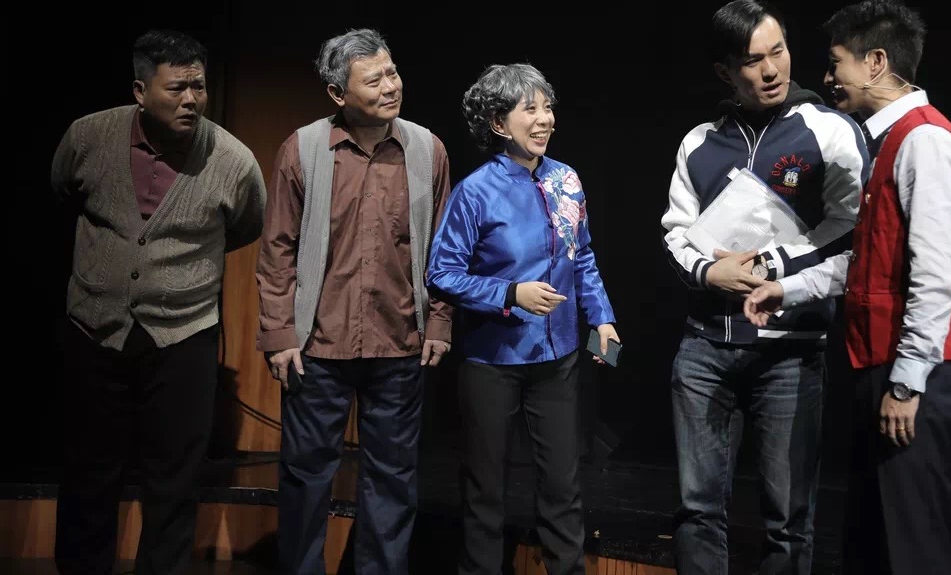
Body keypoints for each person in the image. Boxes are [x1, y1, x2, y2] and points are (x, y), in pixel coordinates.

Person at [744, 0, 951, 575]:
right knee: (874, 541)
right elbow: (870, 261)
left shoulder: (924, 142)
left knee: (910, 547)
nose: (828, 78)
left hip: (916, 371)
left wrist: (906, 384)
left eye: (836, 63)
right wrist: (788, 288)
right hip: (886, 362)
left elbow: (936, 276)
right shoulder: (890, 141)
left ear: (876, 62)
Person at [661, 0, 868, 574]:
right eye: (753, 61)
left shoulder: (829, 130)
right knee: (697, 510)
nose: (772, 69)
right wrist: (709, 273)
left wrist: (773, 266)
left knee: (789, 522)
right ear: (726, 71)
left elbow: (853, 229)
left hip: (792, 351)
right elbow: (675, 234)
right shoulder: (699, 142)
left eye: (778, 51)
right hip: (705, 348)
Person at [50, 29, 266, 575]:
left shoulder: (233, 161)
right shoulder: (88, 136)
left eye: (199, 87)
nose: (191, 99)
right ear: (140, 91)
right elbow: (62, 192)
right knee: (89, 473)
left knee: (174, 482)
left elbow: (245, 226)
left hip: (183, 336)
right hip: (94, 328)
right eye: (176, 89)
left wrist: (175, 273)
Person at [255, 28, 453, 574]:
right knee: (305, 477)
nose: (391, 86)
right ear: (338, 93)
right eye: (374, 79)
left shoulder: (427, 149)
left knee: (392, 479)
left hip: (400, 343)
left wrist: (439, 322)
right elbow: (277, 249)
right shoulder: (303, 149)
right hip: (317, 347)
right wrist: (279, 334)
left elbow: (445, 250)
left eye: (393, 72)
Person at [426, 63, 619, 575]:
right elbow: (441, 274)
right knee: (485, 488)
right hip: (493, 360)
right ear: (498, 123)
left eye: (547, 107)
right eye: (528, 109)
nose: (544, 119)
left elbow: (582, 255)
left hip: (558, 358)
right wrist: (510, 293)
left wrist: (601, 318)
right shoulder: (475, 192)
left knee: (562, 486)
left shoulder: (566, 179)